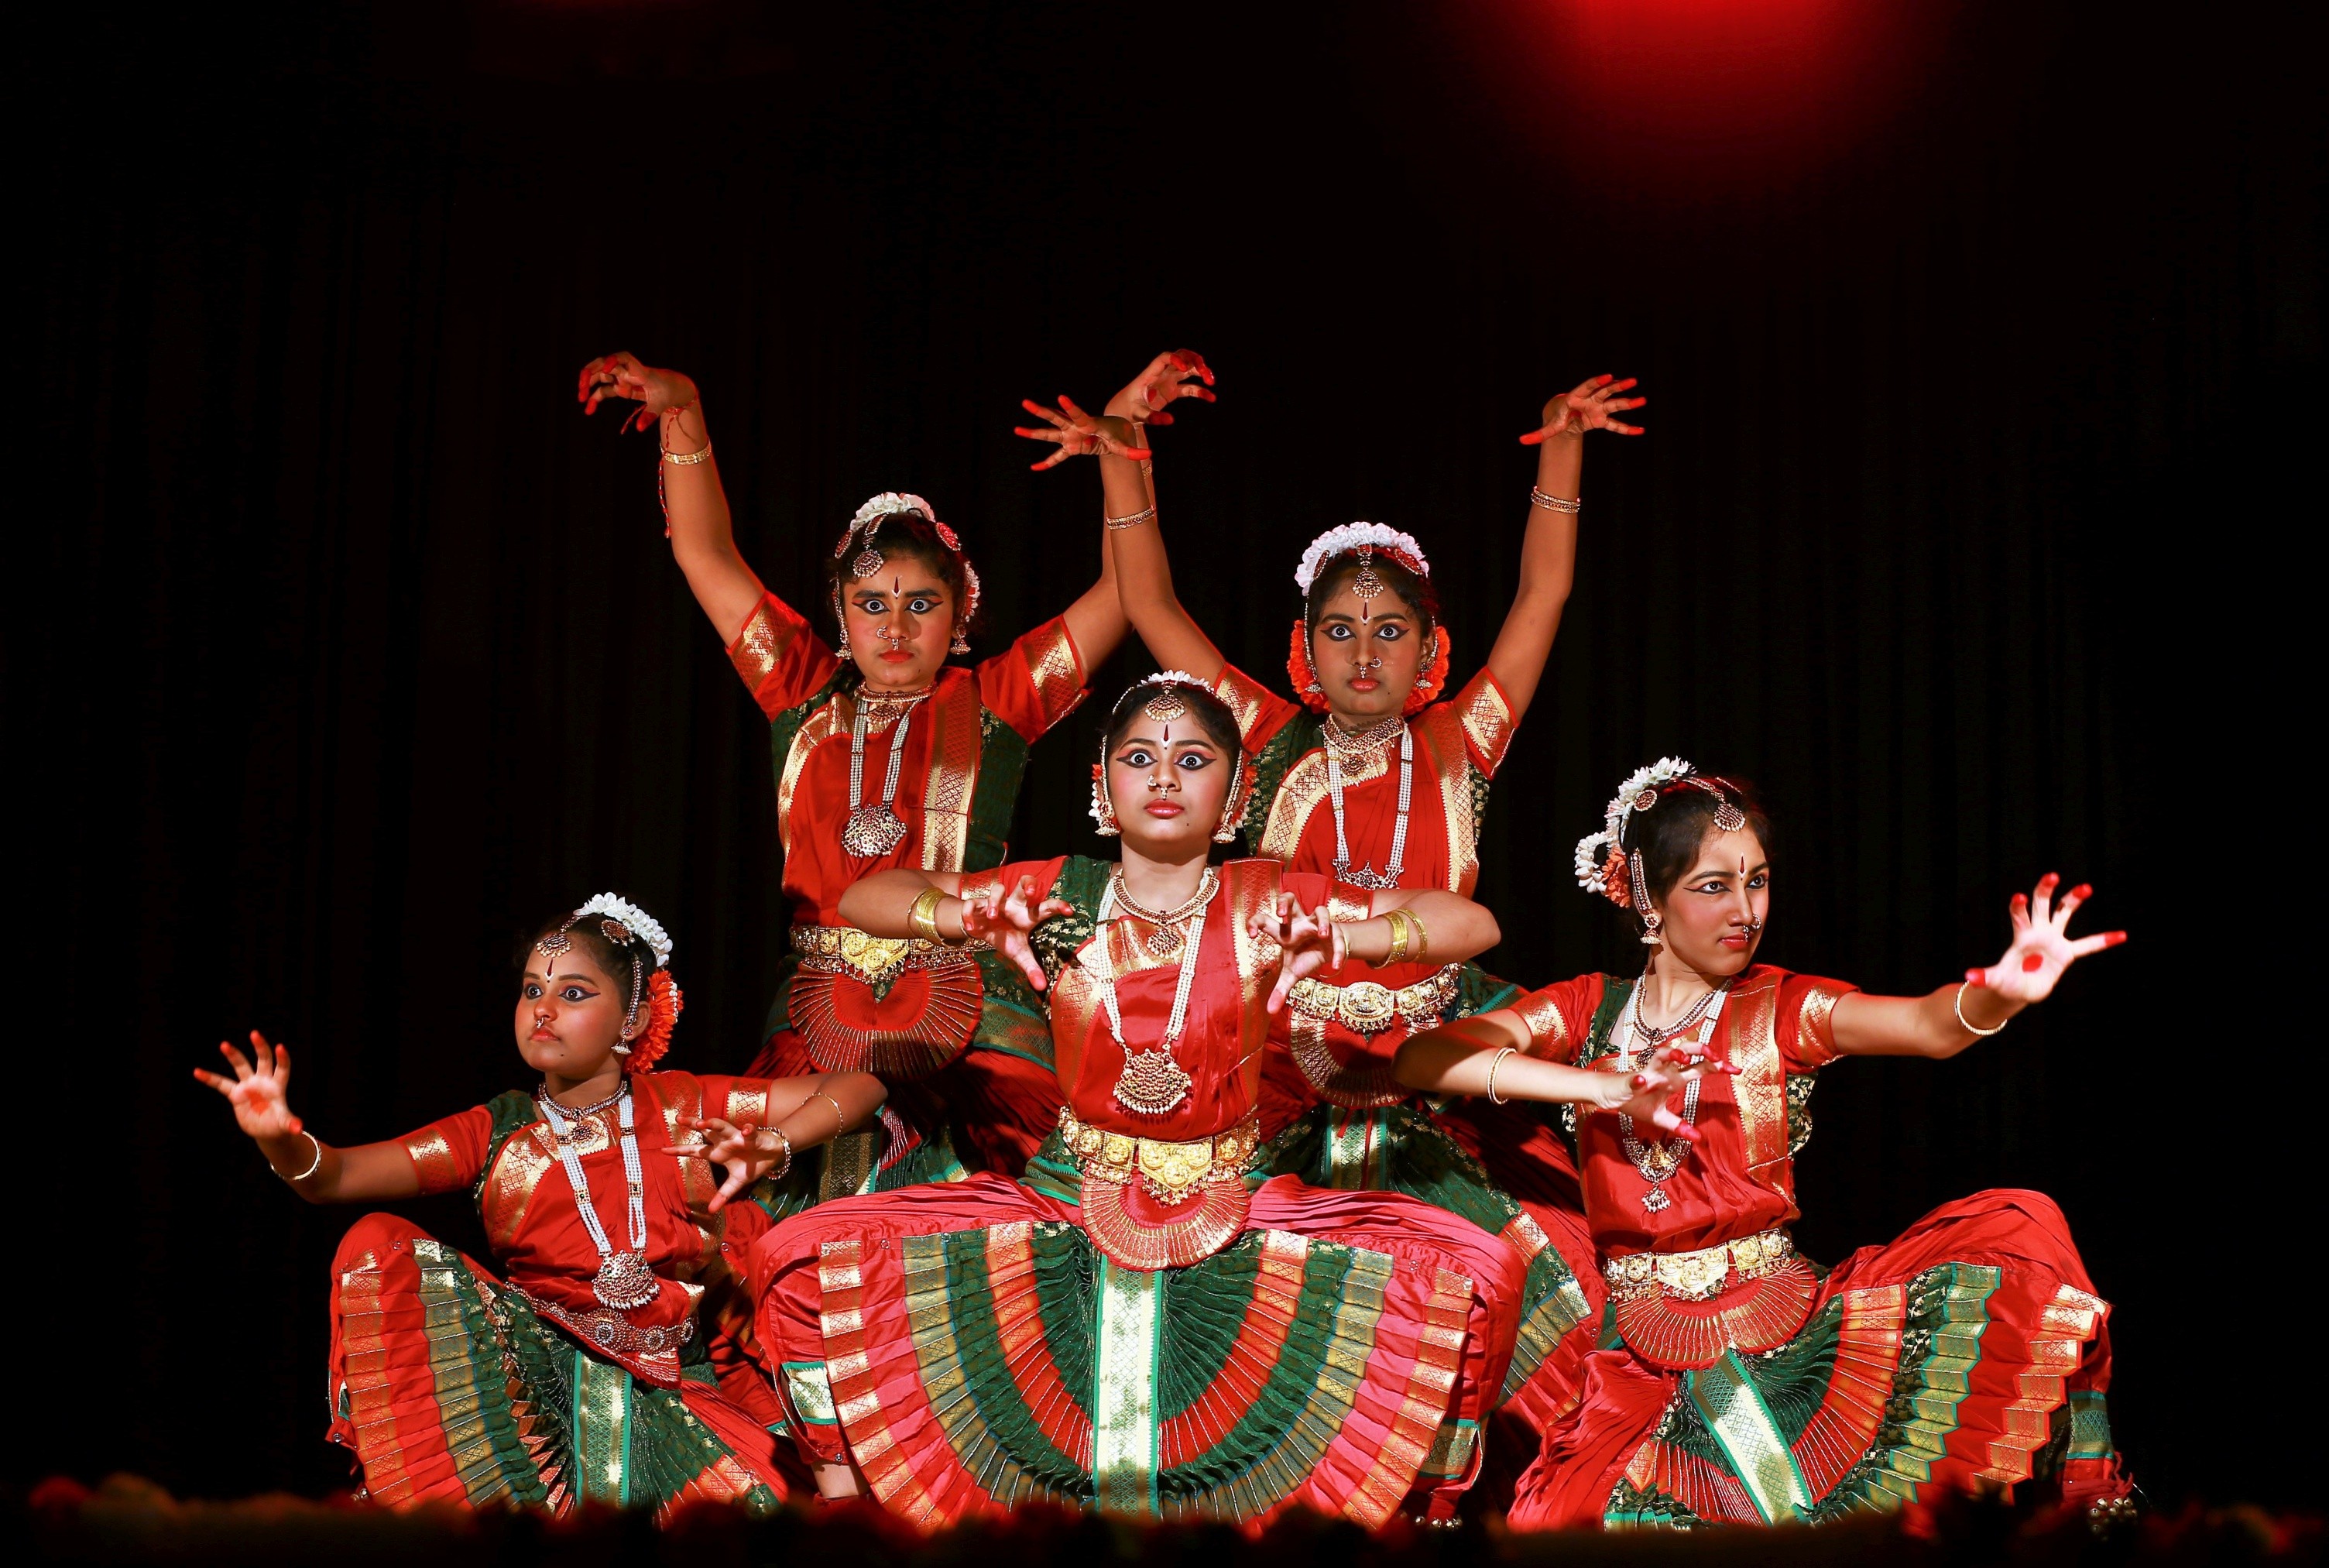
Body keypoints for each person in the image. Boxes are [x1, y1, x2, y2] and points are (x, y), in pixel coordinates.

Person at [1015, 357, 1644, 1450]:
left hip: (1437, 1064)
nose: (1363, 651)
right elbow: (1151, 604)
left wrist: (1562, 450)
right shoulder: (1264, 741)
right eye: (1339, 630)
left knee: (1534, 1278)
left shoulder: (1464, 741)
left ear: (1429, 649)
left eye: (1388, 629)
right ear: (1303, 649)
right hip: (1282, 1071)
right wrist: (1123, 451)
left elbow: (1541, 595)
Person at [749, 675, 1524, 1528]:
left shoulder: (1268, 899)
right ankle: (844, 1528)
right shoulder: (1059, 893)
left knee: (1479, 1275)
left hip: (1236, 1201)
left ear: (1233, 796)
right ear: (1102, 786)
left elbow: (1472, 923)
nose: (1163, 777)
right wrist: (968, 919)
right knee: (794, 1261)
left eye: (1192, 760)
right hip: (1067, 1195)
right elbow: (865, 898)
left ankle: (1421, 1531)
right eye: (1139, 758)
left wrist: (1348, 936)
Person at [1393, 761, 2136, 1529]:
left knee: (2022, 1230)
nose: (1745, 910)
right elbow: (1424, 1059)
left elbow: (1927, 1025)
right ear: (1649, 900)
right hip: (1635, 1364)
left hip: (1784, 1335)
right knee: (1566, 1527)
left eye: (1757, 881)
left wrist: (1998, 994)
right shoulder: (1587, 1014)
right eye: (1713, 886)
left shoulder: (1780, 1008)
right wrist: (1601, 1087)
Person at [576, 353, 1134, 1199]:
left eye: (921, 604)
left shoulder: (996, 702)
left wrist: (1123, 454)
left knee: (1009, 1206)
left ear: (959, 614)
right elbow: (703, 552)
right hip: (816, 1016)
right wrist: (683, 412)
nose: (895, 627)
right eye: (872, 604)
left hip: (970, 1014)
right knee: (769, 1219)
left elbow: (1126, 593)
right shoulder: (801, 692)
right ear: (841, 615)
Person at [197, 893, 885, 1519]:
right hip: (536, 1390)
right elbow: (335, 1176)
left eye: (572, 991)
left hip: (675, 1388)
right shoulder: (493, 1132)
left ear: (635, 1018)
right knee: (378, 1240)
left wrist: (776, 1142)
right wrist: (282, 1139)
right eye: (532, 990)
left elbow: (864, 1087)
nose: (543, 1009)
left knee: (756, 1523)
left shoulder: (682, 1104)